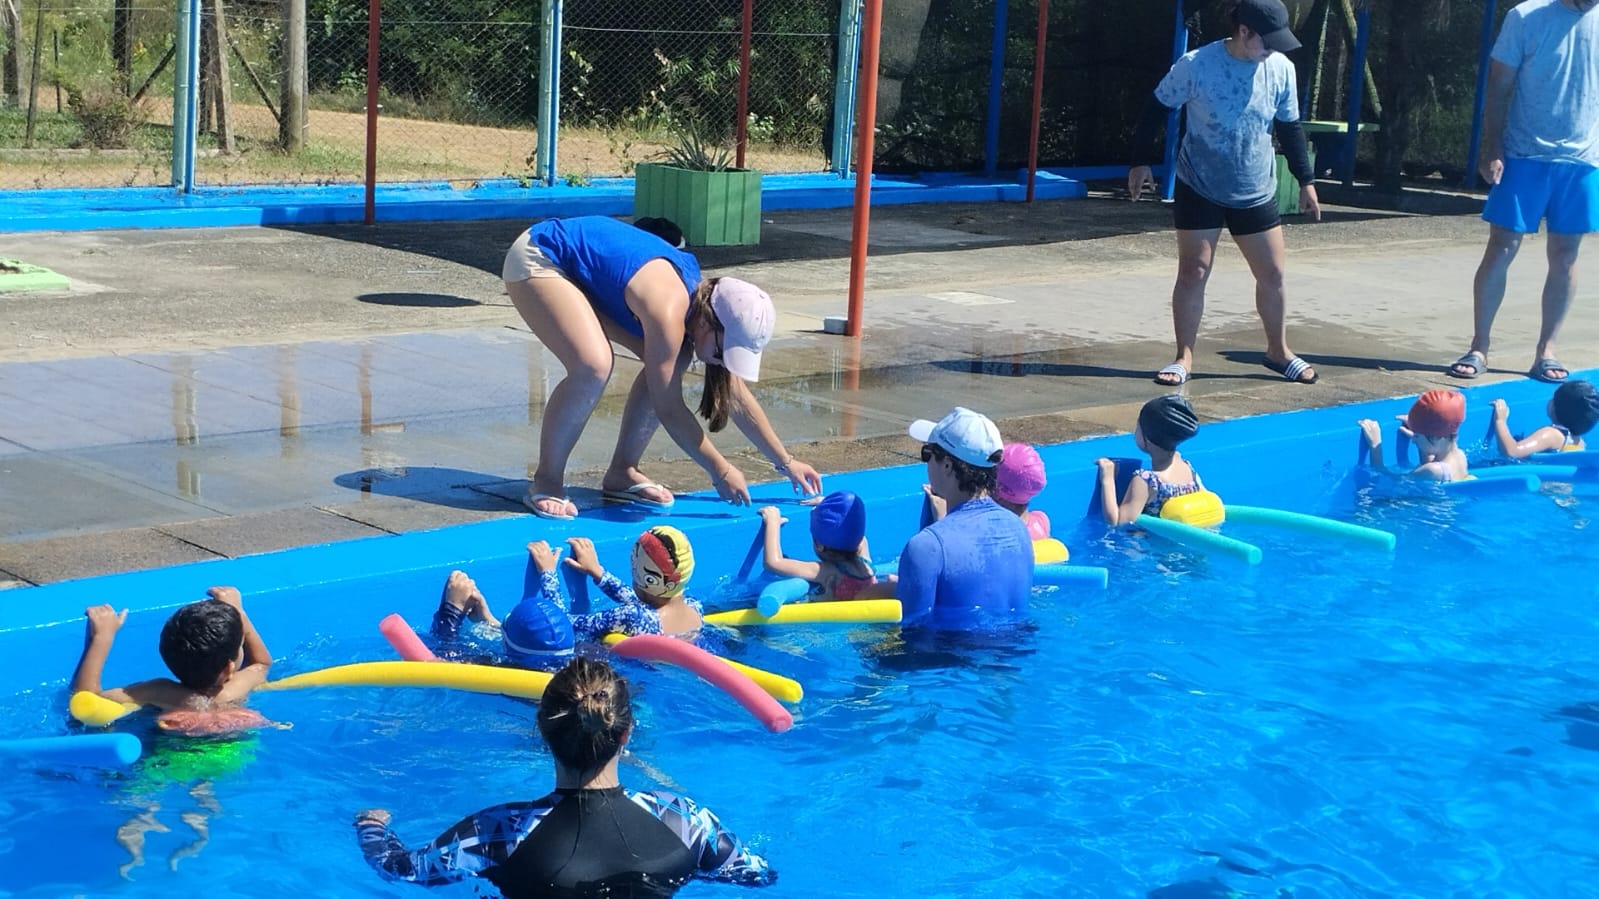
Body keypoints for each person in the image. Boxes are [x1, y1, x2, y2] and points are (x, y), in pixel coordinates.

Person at [355, 657, 776, 897]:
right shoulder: (683, 819)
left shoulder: (495, 833)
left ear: (542, 732)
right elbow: (758, 876)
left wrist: (371, 828)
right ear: (626, 734)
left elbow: (400, 869)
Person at [501, 215, 823, 520]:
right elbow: (669, 408)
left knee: (671, 365)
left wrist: (786, 462)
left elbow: (735, 396)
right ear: (710, 321)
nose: (725, 362)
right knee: (594, 364)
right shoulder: (670, 310)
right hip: (541, 257)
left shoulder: (701, 310)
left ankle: (622, 472)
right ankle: (547, 480)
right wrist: (720, 470)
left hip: (582, 275)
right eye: (726, 351)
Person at [1127, 0, 1321, 387]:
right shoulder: (1197, 64)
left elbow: (1290, 128)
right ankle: (1184, 356)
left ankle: (1277, 350)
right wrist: (1140, 161)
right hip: (1200, 184)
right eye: (1267, 41)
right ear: (1244, 31)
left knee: (1273, 273)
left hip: (1255, 188)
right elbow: (1156, 107)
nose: (1272, 50)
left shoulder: (1281, 68)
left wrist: (1306, 180)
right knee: (1193, 271)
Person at [1447, 0, 1599, 384]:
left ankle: (1546, 350)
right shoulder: (1526, 16)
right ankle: (1479, 345)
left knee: (1566, 254)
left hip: (1583, 160)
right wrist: (1492, 146)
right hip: (1523, 154)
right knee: (1502, 246)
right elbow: (1498, 85)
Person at [872, 407, 1032, 629]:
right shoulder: (1018, 528)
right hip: (1014, 658)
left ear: (947, 464)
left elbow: (913, 638)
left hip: (950, 660)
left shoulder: (927, 546)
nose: (926, 463)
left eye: (927, 454)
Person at [70, 587, 273, 721]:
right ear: (228, 668)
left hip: (169, 750)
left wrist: (101, 638)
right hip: (229, 749)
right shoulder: (234, 689)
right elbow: (262, 663)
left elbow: (87, 701)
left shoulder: (159, 691)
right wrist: (238, 612)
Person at [528, 528, 704, 640]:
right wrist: (597, 572)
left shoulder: (633, 617)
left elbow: (563, 624)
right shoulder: (695, 608)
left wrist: (548, 573)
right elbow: (641, 603)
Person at [429, 568, 576, 669]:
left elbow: (442, 660)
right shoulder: (582, 670)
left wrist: (451, 612)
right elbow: (537, 648)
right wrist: (488, 620)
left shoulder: (500, 673)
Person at [1096, 395, 1205, 525]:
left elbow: (1118, 522)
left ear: (1147, 438)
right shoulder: (1188, 469)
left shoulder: (1146, 480)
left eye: (1138, 427)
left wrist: (1107, 478)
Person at [756, 491, 877, 601]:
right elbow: (850, 524)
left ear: (819, 546)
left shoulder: (827, 571)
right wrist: (828, 505)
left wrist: (772, 522)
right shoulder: (865, 561)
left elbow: (773, 563)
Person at [924, 442, 1051, 540]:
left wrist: (942, 519)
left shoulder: (995, 532)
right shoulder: (1041, 521)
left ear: (998, 493)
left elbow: (954, 548)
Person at [1358, 389, 1469, 482]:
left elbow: (1388, 481)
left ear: (1436, 438)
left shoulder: (1432, 470)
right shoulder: (1459, 455)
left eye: (1417, 436)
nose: (1413, 441)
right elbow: (1430, 459)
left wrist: (1375, 445)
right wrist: (1417, 425)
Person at [1490, 379, 1599, 457]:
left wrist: (1500, 420)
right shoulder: (1579, 442)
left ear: (1555, 407)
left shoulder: (1550, 434)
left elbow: (1512, 452)